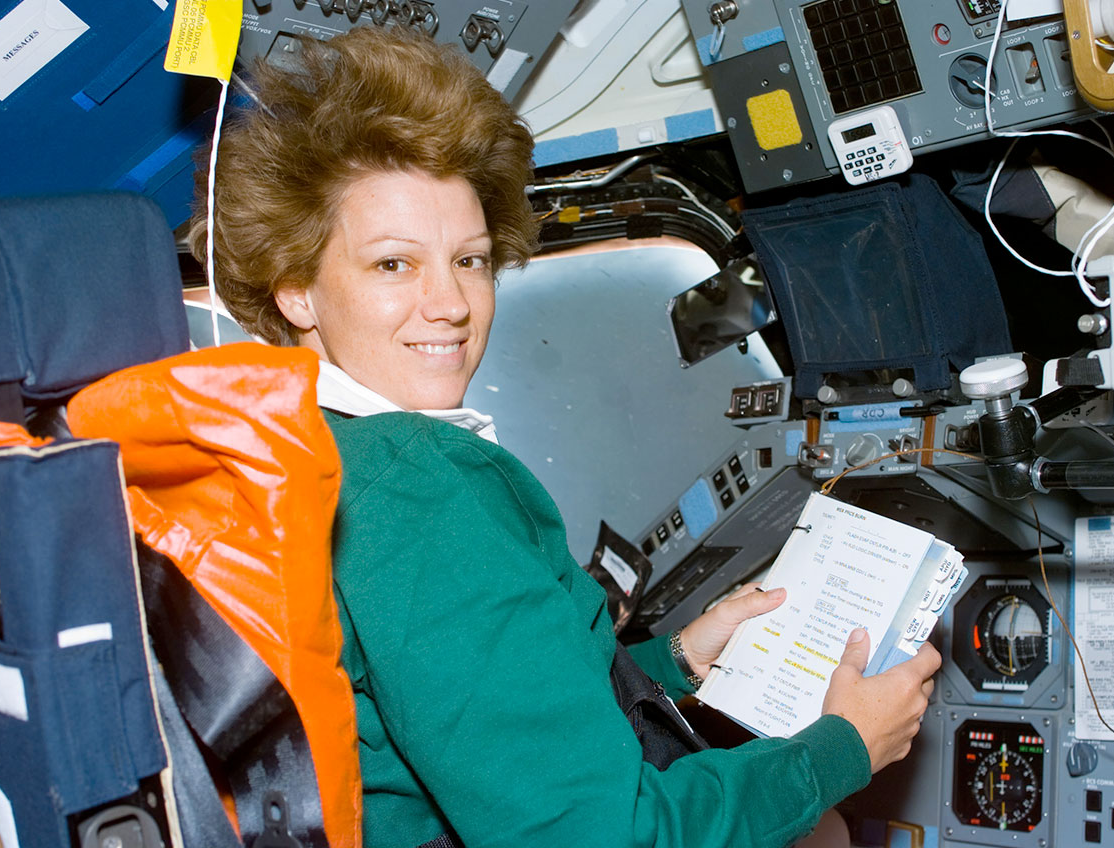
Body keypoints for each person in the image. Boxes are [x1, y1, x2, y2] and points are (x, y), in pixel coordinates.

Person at [189, 25, 941, 848]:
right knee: (826, 831)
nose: (450, 304)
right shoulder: (417, 484)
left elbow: (473, 712)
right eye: (393, 265)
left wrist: (678, 658)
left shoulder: (305, 452)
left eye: (470, 260)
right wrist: (841, 749)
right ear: (297, 288)